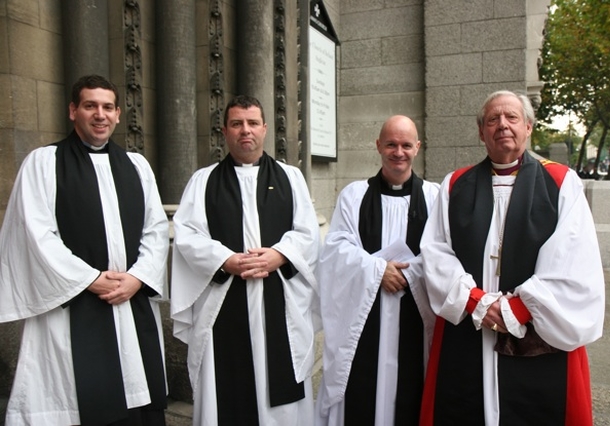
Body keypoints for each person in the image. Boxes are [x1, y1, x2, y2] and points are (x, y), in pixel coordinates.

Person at [419, 90, 605, 425]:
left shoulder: (560, 183)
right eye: (493, 119)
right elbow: (435, 253)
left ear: (529, 127)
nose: (502, 125)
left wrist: (517, 308)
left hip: (533, 331)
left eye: (511, 117)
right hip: (469, 329)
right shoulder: (455, 185)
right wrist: (476, 301)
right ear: (481, 132)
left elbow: (573, 260)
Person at [0, 75, 170, 426]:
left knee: (136, 398)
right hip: (72, 305)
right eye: (90, 106)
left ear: (119, 114)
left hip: (129, 298)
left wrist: (137, 278)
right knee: (74, 401)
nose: (100, 114)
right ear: (73, 111)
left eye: (108, 107)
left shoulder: (137, 166)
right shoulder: (44, 162)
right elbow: (37, 234)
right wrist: (91, 279)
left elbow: (156, 230)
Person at [170, 95, 320, 425]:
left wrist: (279, 255)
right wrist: (226, 260)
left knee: (280, 386)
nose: (245, 131)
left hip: (278, 299)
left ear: (265, 129)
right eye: (237, 124)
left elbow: (308, 233)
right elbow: (188, 236)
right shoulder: (204, 180)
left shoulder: (290, 177)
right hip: (225, 303)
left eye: (252, 123)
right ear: (224, 131)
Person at [315, 116, 440, 425]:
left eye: (406, 145)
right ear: (378, 146)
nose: (399, 152)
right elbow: (335, 251)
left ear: (418, 148)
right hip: (364, 313)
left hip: (415, 312)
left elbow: (443, 253)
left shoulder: (435, 197)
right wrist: (376, 270)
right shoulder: (354, 196)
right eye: (391, 144)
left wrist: (409, 273)